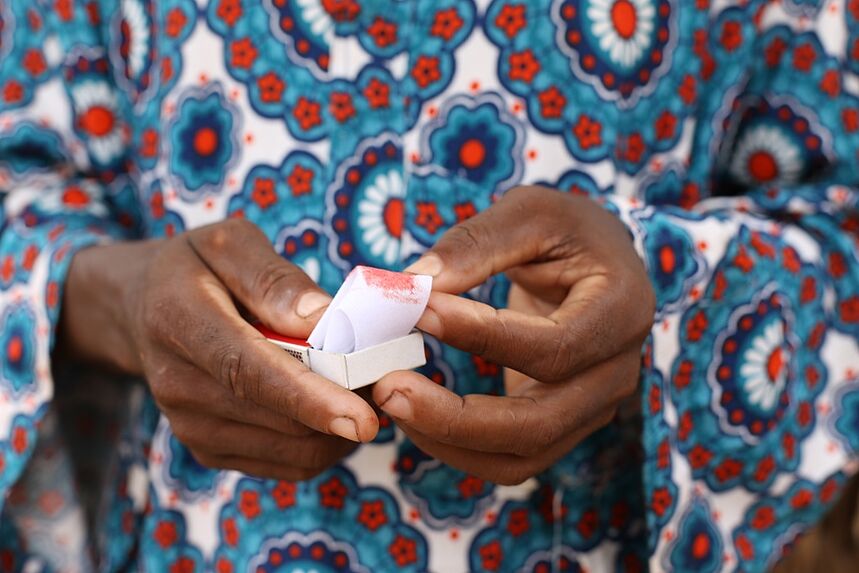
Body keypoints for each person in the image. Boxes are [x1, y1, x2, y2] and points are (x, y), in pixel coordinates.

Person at [0, 0, 857, 571]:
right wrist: (127, 301)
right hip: (198, 541)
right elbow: (22, 183)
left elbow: (840, 223)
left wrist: (662, 293)